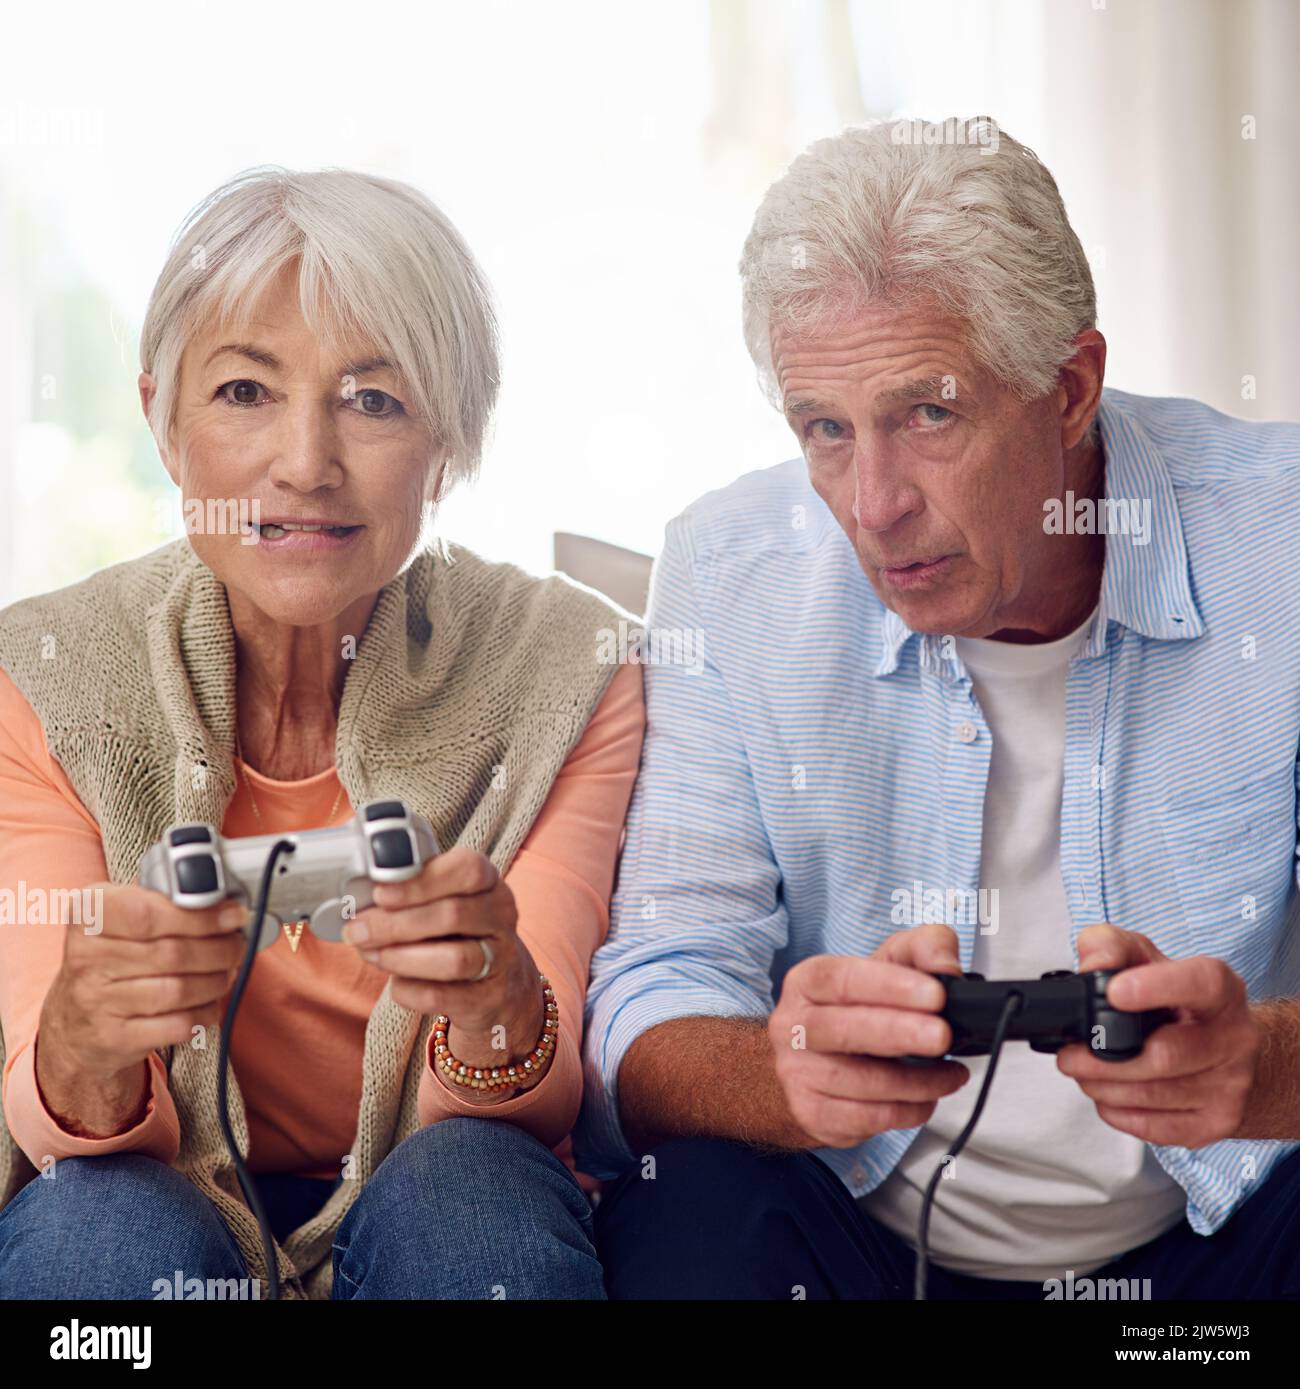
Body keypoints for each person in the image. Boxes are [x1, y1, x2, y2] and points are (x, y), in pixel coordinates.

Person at [576, 117, 1300, 1300]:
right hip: (867, 1248)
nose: (870, 504)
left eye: (928, 415)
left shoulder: (1281, 535)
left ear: (1068, 389)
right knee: (693, 1205)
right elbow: (662, 981)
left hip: (1224, 1257)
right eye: (824, 429)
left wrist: (1258, 1069)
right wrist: (780, 1071)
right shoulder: (729, 566)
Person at [0, 166, 644, 1299]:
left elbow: (530, 1105)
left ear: (447, 446)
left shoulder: (568, 667)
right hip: (144, 1187)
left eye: (373, 399)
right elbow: (62, 1128)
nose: (305, 460)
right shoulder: (44, 673)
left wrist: (496, 995)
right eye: (245, 393)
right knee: (92, 1230)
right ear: (162, 420)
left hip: (447, 1175)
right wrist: (84, 1044)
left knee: (473, 1200)